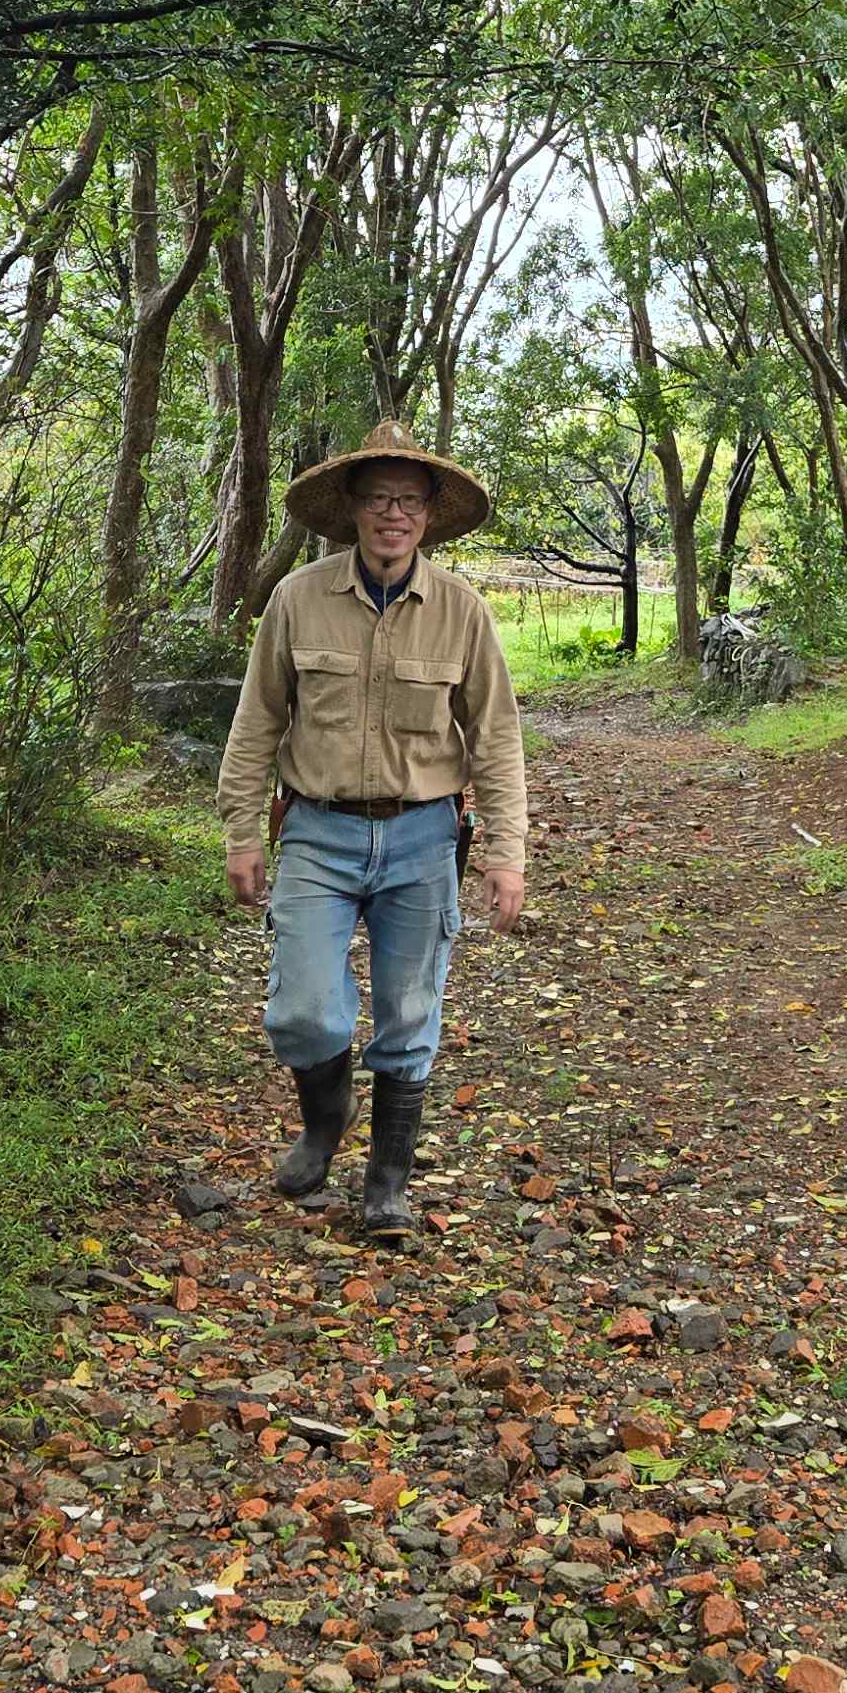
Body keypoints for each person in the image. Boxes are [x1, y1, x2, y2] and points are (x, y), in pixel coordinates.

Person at [215, 420, 528, 1234]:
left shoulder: (462, 612)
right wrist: (241, 833)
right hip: (316, 831)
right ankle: (326, 1119)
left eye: (410, 501)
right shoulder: (297, 600)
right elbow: (256, 722)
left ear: (429, 514)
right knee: (306, 1013)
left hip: (424, 836)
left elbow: (494, 737)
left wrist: (506, 853)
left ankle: (387, 1180)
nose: (394, 514)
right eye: (379, 498)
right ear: (351, 509)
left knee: (408, 1011)